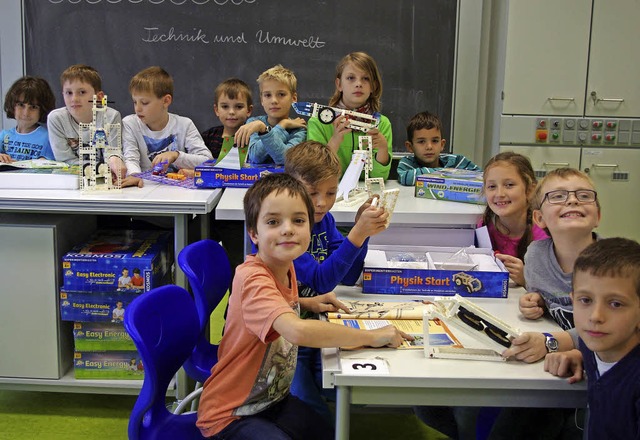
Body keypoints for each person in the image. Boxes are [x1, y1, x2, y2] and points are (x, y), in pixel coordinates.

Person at [196, 173, 411, 440]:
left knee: (326, 431)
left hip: (271, 399)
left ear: (310, 227)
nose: (288, 229)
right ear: (253, 233)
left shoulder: (285, 265)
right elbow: (296, 331)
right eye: (273, 222)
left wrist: (306, 302)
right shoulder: (252, 277)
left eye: (298, 221)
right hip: (230, 414)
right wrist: (371, 337)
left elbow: (276, 305)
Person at [285, 140, 389, 422]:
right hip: (279, 343)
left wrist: (361, 232)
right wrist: (356, 234)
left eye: (331, 192)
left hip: (309, 325)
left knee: (351, 386)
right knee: (312, 412)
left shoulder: (324, 221)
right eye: (312, 193)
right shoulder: (286, 229)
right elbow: (321, 280)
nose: (322, 202)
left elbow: (350, 275)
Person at [543, 237, 640, 440]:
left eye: (615, 304)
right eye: (585, 300)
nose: (595, 316)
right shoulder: (593, 347)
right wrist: (577, 354)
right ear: (573, 301)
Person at [122, 66, 213, 187]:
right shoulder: (130, 123)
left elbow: (207, 161)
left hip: (178, 191)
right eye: (135, 102)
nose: (137, 108)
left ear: (166, 101)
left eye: (144, 103)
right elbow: (130, 157)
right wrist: (134, 176)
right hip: (144, 188)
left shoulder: (185, 125)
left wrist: (176, 155)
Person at [306, 51, 393, 179]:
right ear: (339, 84)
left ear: (373, 86)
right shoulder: (318, 122)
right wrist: (335, 140)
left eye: (366, 78)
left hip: (366, 194)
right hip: (330, 192)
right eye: (351, 78)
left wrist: (382, 149)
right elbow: (315, 173)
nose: (358, 83)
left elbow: (379, 178)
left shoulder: (381, 123)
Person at [47, 64, 131, 184]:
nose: (74, 99)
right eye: (69, 93)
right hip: (73, 181)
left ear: (99, 97)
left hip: (106, 181)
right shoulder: (56, 119)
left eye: (82, 92)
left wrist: (115, 159)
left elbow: (113, 151)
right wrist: (99, 169)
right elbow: (65, 160)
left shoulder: (111, 116)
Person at [479, 151, 548, 286]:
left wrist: (525, 279)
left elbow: (554, 291)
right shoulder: (482, 227)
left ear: (530, 189)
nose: (500, 194)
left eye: (509, 185)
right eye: (492, 186)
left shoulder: (543, 236)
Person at [234, 65, 306, 165]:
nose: (274, 101)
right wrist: (281, 125)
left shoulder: (299, 129)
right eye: (267, 95)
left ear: (293, 98)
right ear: (262, 100)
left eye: (281, 94)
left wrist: (265, 131)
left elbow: (284, 159)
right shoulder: (254, 123)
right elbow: (256, 156)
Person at [397, 111, 479, 186]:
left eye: (435, 141)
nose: (429, 147)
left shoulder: (456, 161)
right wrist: (447, 172)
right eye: (421, 141)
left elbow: (481, 176)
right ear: (410, 147)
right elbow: (405, 178)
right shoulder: (407, 163)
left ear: (442, 144)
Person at [0, 76, 56, 162]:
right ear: (12, 106)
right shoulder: (4, 136)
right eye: (21, 105)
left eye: (33, 107)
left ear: (42, 110)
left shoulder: (49, 138)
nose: (26, 113)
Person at [200, 77, 253, 161]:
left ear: (249, 110)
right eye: (225, 106)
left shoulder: (254, 138)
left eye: (239, 107)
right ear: (216, 110)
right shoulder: (208, 137)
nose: (231, 112)